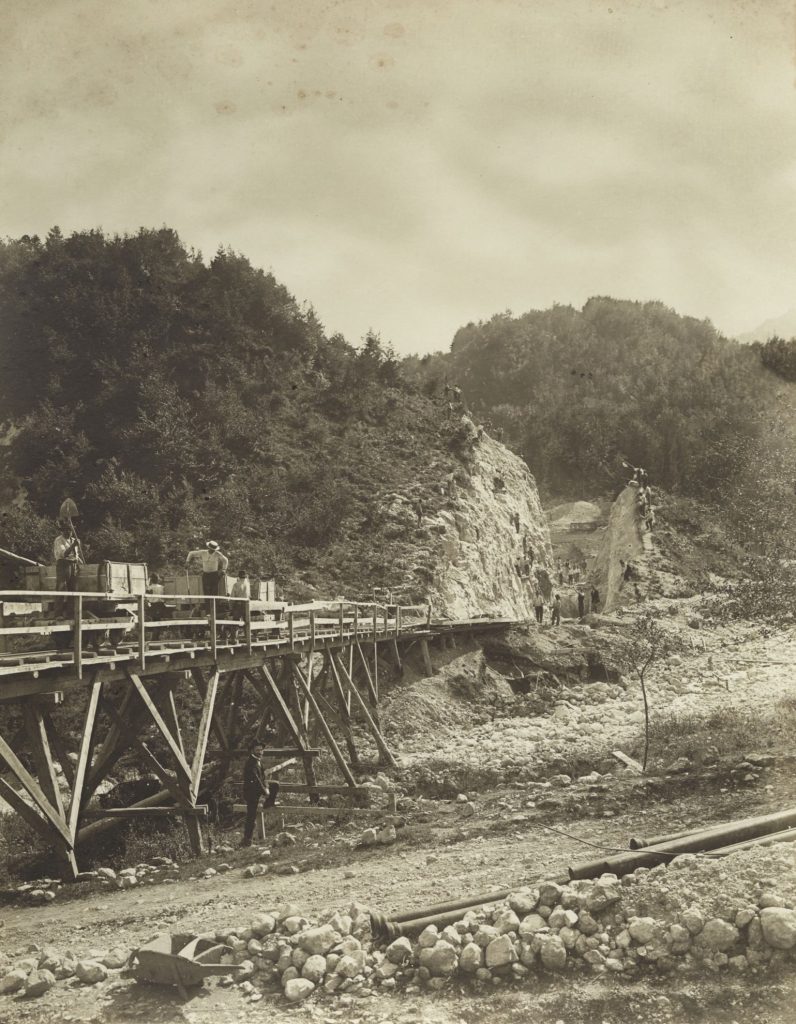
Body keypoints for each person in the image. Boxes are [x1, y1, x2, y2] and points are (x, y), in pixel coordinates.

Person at [241, 742, 279, 847]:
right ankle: (247, 840)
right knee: (251, 817)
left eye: (261, 750)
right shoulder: (251, 763)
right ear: (252, 751)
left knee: (275, 785)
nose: (260, 752)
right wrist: (265, 791)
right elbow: (256, 780)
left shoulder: (258, 761)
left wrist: (267, 786)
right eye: (257, 750)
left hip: (258, 788)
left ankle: (268, 803)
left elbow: (263, 778)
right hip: (251, 792)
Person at [53, 522, 80, 617]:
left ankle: (70, 614)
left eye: (70, 530)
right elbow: (63, 554)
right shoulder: (59, 540)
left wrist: (78, 561)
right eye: (66, 530)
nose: (69, 532)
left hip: (73, 565)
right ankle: (58, 614)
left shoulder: (73, 540)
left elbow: (76, 556)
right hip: (63, 565)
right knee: (61, 588)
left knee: (73, 590)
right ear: (62, 531)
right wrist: (73, 545)